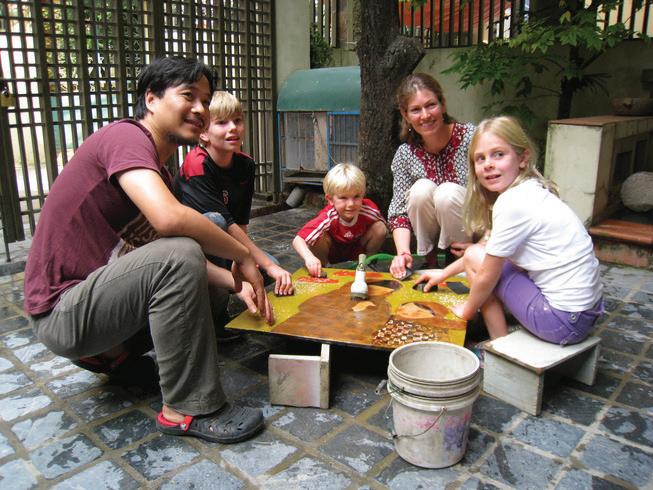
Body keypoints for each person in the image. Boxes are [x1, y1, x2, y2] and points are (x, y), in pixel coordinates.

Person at [23, 56, 273, 444]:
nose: (200, 109)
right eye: (188, 96)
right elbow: (170, 227)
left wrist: (236, 285)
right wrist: (243, 256)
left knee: (187, 251)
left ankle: (117, 356)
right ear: (151, 98)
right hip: (63, 314)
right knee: (184, 247)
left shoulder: (158, 175)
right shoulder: (125, 137)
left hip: (99, 309)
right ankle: (187, 408)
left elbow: (165, 258)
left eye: (206, 101)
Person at [416, 116, 603, 345]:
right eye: (480, 158)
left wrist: (467, 309)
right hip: (586, 312)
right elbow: (486, 251)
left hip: (562, 321)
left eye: (498, 154)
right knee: (480, 256)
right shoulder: (531, 189)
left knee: (480, 265)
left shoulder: (512, 203)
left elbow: (484, 270)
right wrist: (444, 274)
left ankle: (500, 344)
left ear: (522, 158)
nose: (488, 164)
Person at [175, 90, 293, 300]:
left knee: (268, 270)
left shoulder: (245, 165)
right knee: (215, 221)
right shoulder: (197, 166)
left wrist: (244, 263)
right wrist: (256, 261)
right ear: (203, 133)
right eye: (221, 122)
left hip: (225, 242)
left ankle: (232, 282)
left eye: (237, 120)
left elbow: (240, 224)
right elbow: (226, 224)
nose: (233, 128)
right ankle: (217, 305)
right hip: (191, 249)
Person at [388, 73, 476, 280]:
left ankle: (461, 260)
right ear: (405, 115)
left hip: (473, 233)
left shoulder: (472, 138)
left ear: (442, 104)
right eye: (416, 110)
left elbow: (496, 192)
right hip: (431, 237)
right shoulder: (405, 154)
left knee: (447, 193)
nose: (425, 115)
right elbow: (399, 212)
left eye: (431, 105)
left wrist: (485, 242)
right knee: (421, 190)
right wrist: (403, 253)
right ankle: (429, 259)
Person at [292, 163, 387, 278]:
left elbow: (382, 229)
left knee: (380, 227)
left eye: (356, 196)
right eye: (343, 198)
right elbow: (298, 240)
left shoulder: (369, 210)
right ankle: (325, 267)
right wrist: (309, 258)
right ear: (330, 199)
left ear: (363, 194)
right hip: (332, 253)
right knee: (317, 237)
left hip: (356, 249)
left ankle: (367, 263)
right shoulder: (328, 216)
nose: (351, 204)